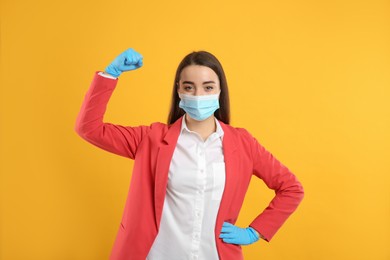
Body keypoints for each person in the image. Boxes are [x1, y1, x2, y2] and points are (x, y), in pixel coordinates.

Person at [74, 48, 304, 260]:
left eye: (208, 87)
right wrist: (110, 74)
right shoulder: (151, 139)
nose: (198, 94)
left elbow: (291, 188)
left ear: (220, 90)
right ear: (179, 90)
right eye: (189, 86)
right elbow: (89, 128)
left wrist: (255, 231)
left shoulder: (243, 143)